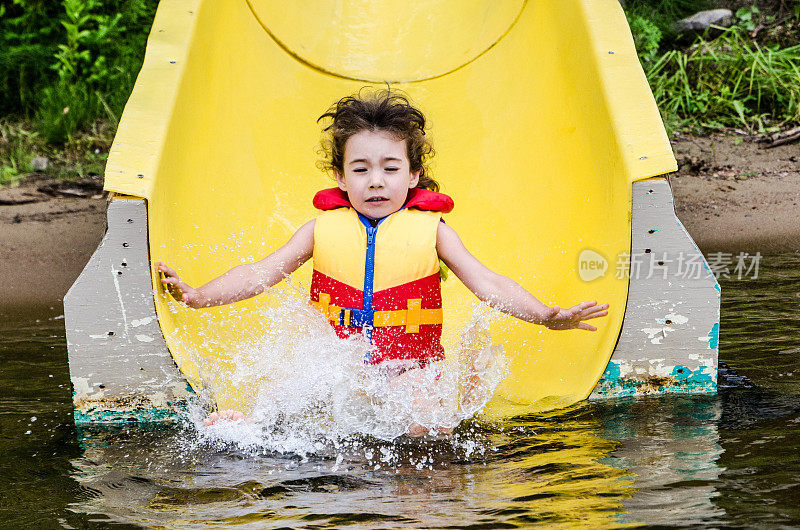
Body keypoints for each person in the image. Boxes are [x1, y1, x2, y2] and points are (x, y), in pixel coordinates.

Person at [158, 89, 610, 433]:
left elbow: (488, 283)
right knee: (298, 410)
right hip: (340, 369)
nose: (376, 181)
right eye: (360, 169)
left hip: (408, 372)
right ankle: (251, 426)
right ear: (339, 175)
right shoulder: (320, 230)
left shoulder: (434, 233)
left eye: (391, 169)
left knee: (427, 426)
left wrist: (546, 316)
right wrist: (199, 297)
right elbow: (260, 273)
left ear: (413, 175)